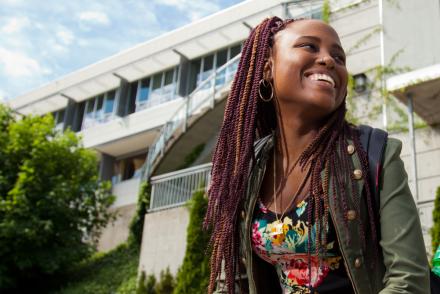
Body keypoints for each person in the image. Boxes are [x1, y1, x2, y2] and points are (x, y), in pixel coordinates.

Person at [204, 16, 430, 294]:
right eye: (309, 47)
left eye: (338, 56)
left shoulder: (375, 153)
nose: (328, 60)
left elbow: (409, 280)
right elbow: (233, 282)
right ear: (267, 70)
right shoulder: (248, 169)